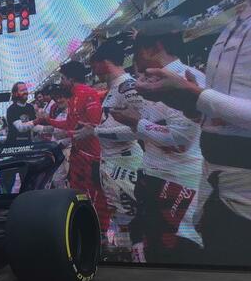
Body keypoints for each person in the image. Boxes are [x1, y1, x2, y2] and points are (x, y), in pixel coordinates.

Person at [137, 0, 251, 265]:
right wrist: (187, 102)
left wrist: (197, 96)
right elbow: (219, 120)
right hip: (225, 202)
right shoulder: (235, 23)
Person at [113, 24, 206, 263]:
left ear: (155, 47)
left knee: (179, 254)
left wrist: (136, 123)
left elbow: (180, 138)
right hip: (154, 177)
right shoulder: (149, 81)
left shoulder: (184, 78)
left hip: (180, 183)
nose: (134, 60)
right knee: (157, 251)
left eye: (137, 51)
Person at [35, 61, 111, 232]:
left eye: (63, 78)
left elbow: (92, 127)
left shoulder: (88, 94)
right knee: (79, 193)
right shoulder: (73, 97)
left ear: (71, 78)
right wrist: (47, 121)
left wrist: (63, 132)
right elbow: (70, 125)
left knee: (97, 195)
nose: (61, 82)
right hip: (78, 155)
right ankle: (85, 227)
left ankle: (102, 232)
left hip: (91, 156)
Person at [89, 40, 145, 247]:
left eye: (94, 64)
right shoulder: (114, 88)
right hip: (111, 163)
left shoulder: (127, 87)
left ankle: (137, 258)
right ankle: (127, 253)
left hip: (126, 164)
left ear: (104, 62)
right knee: (120, 217)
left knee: (131, 218)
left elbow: (139, 128)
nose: (93, 70)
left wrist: (95, 131)